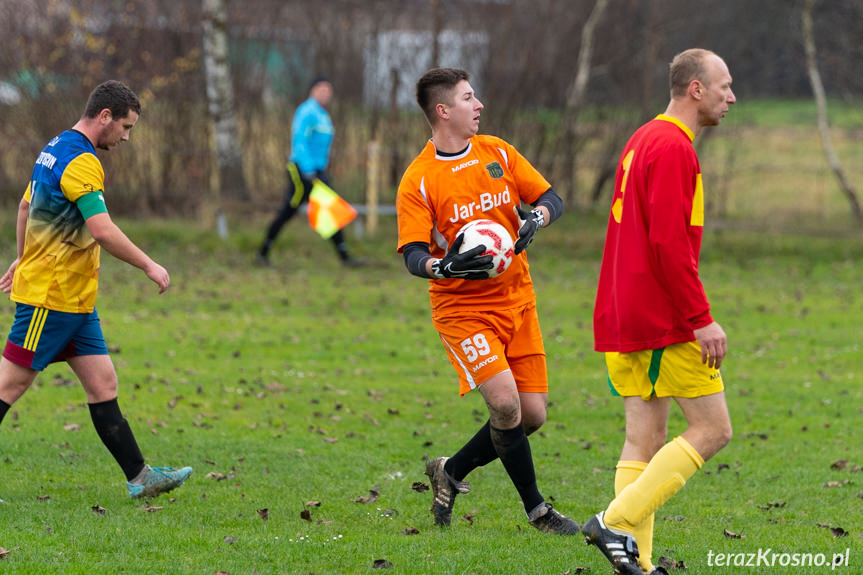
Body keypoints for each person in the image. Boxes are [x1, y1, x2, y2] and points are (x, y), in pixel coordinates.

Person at [396, 67, 578, 534]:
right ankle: (538, 510)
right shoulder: (419, 179)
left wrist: (537, 216)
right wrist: (443, 266)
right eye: (468, 98)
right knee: (506, 406)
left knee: (532, 415)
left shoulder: (497, 152)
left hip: (518, 298)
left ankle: (450, 471)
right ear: (443, 111)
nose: (478, 106)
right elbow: (414, 254)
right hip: (463, 311)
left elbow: (550, 196)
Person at [0, 80, 193, 499]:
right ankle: (141, 478)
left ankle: (141, 480)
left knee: (103, 384)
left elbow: (24, 206)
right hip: (49, 299)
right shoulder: (83, 162)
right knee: (7, 387)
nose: (126, 137)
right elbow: (101, 230)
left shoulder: (54, 146)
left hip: (75, 300)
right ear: (104, 116)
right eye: (125, 126)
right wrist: (149, 264)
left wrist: (23, 257)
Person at [583, 49, 736, 575]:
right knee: (714, 430)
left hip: (625, 314)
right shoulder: (673, 148)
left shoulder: (642, 137)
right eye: (723, 86)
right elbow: (669, 244)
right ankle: (614, 521)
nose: (730, 97)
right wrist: (701, 317)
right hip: (661, 321)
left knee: (643, 440)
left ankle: (638, 565)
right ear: (696, 89)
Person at [257, 76, 358, 266]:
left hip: (318, 171)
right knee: (289, 211)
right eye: (321, 89)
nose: (325, 94)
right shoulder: (306, 112)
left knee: (329, 210)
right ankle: (263, 251)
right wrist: (308, 170)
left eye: (328, 91)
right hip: (302, 171)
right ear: (312, 90)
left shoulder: (323, 115)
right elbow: (299, 142)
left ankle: (345, 257)